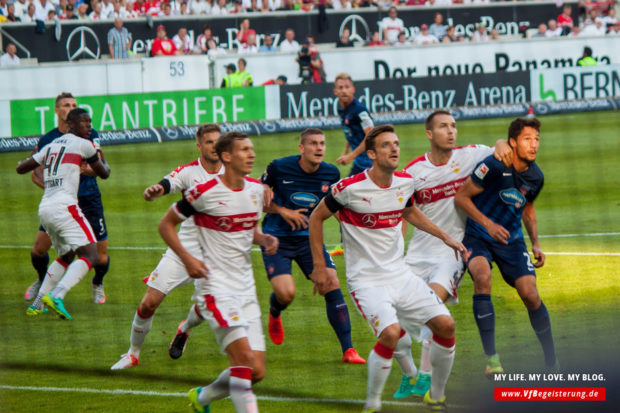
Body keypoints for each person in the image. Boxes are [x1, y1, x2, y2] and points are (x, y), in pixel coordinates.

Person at [309, 124, 465, 412]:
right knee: (391, 334)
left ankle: (436, 396)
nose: (394, 149)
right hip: (366, 281)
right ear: (371, 154)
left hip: (401, 275)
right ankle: (372, 405)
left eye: (396, 143)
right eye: (386, 145)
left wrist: (445, 236)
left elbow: (408, 210)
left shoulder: (405, 182)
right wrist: (319, 266)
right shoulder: (348, 188)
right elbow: (316, 218)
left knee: (446, 325)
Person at [157, 132, 277, 413]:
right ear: (226, 156)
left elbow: (250, 231)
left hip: (246, 290)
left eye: (252, 149)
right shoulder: (203, 192)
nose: (252, 154)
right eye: (244, 150)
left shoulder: (257, 191)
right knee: (244, 363)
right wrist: (187, 259)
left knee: (257, 371)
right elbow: (166, 225)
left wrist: (264, 239)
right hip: (215, 290)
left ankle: (202, 398)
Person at [398, 110, 511, 398]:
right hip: (417, 253)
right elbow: (402, 213)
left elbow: (500, 145)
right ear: (429, 134)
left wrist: (500, 144)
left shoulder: (470, 156)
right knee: (396, 315)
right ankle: (412, 371)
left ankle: (425, 379)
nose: (451, 131)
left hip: (452, 252)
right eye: (443, 127)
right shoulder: (413, 172)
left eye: (453, 126)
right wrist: (397, 253)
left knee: (431, 306)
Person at [110, 124, 225, 369]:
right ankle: (133, 354)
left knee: (208, 308)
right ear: (199, 146)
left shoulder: (232, 171)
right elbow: (166, 184)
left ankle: (184, 329)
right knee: (149, 302)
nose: (214, 146)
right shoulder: (188, 172)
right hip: (182, 251)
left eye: (218, 141)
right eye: (209, 142)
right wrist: (155, 191)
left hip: (216, 254)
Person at [454, 117, 558, 376]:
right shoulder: (493, 165)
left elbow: (529, 209)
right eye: (527, 139)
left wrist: (535, 243)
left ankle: (552, 361)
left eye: (536, 139)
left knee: (530, 294)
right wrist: (487, 224)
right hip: (478, 235)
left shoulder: (536, 176)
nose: (533, 145)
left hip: (511, 239)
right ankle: (492, 360)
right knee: (482, 276)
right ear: (512, 142)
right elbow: (462, 197)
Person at [260, 128, 365, 364]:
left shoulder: (330, 173)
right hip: (276, 238)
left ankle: (348, 350)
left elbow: (335, 205)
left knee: (330, 282)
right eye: (313, 144)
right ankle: (275, 311)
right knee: (286, 294)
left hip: (309, 239)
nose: (319, 148)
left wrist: (354, 232)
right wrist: (282, 210)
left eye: (322, 143)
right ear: (301, 148)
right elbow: (256, 198)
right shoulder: (279, 167)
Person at [16, 108, 111, 320]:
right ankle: (58, 295)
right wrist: (103, 165)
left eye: (90, 122)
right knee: (91, 255)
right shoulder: (84, 144)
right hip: (66, 206)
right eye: (85, 122)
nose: (89, 126)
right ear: (72, 125)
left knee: (67, 256)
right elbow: (103, 173)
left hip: (46, 208)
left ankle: (38, 303)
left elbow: (22, 168)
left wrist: (21, 163)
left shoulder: (50, 146)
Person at [333, 72, 374, 176]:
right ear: (335, 91)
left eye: (347, 87)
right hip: (359, 163)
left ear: (353, 89)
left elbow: (371, 135)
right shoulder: (341, 109)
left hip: (371, 163)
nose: (344, 90)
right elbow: (350, 131)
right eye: (340, 87)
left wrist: (350, 156)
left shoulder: (360, 110)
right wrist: (346, 151)